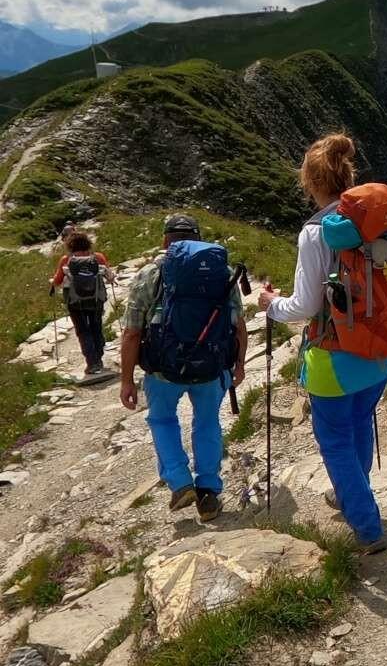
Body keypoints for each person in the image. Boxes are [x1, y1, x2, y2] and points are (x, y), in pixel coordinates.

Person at [258, 134, 387, 554]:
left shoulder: (315, 232)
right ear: (347, 175)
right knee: (358, 423)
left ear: (310, 182)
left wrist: (270, 304)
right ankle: (350, 493)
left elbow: (304, 306)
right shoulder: (374, 220)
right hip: (379, 351)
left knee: (334, 439)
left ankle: (367, 526)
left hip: (333, 357)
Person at [119, 214, 247, 522]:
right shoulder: (221, 272)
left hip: (164, 369)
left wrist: (127, 380)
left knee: (162, 419)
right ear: (198, 240)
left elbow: (132, 332)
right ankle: (208, 492)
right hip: (212, 366)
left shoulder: (151, 273)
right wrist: (239, 365)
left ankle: (179, 482)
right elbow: (238, 324)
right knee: (207, 422)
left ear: (166, 241)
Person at [50, 231, 115, 377]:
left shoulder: (66, 259)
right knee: (96, 328)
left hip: (75, 301)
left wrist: (52, 282)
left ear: (70, 245)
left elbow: (57, 281)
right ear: (88, 243)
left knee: (83, 331)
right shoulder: (98, 257)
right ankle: (98, 359)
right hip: (96, 299)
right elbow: (110, 277)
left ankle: (92, 363)